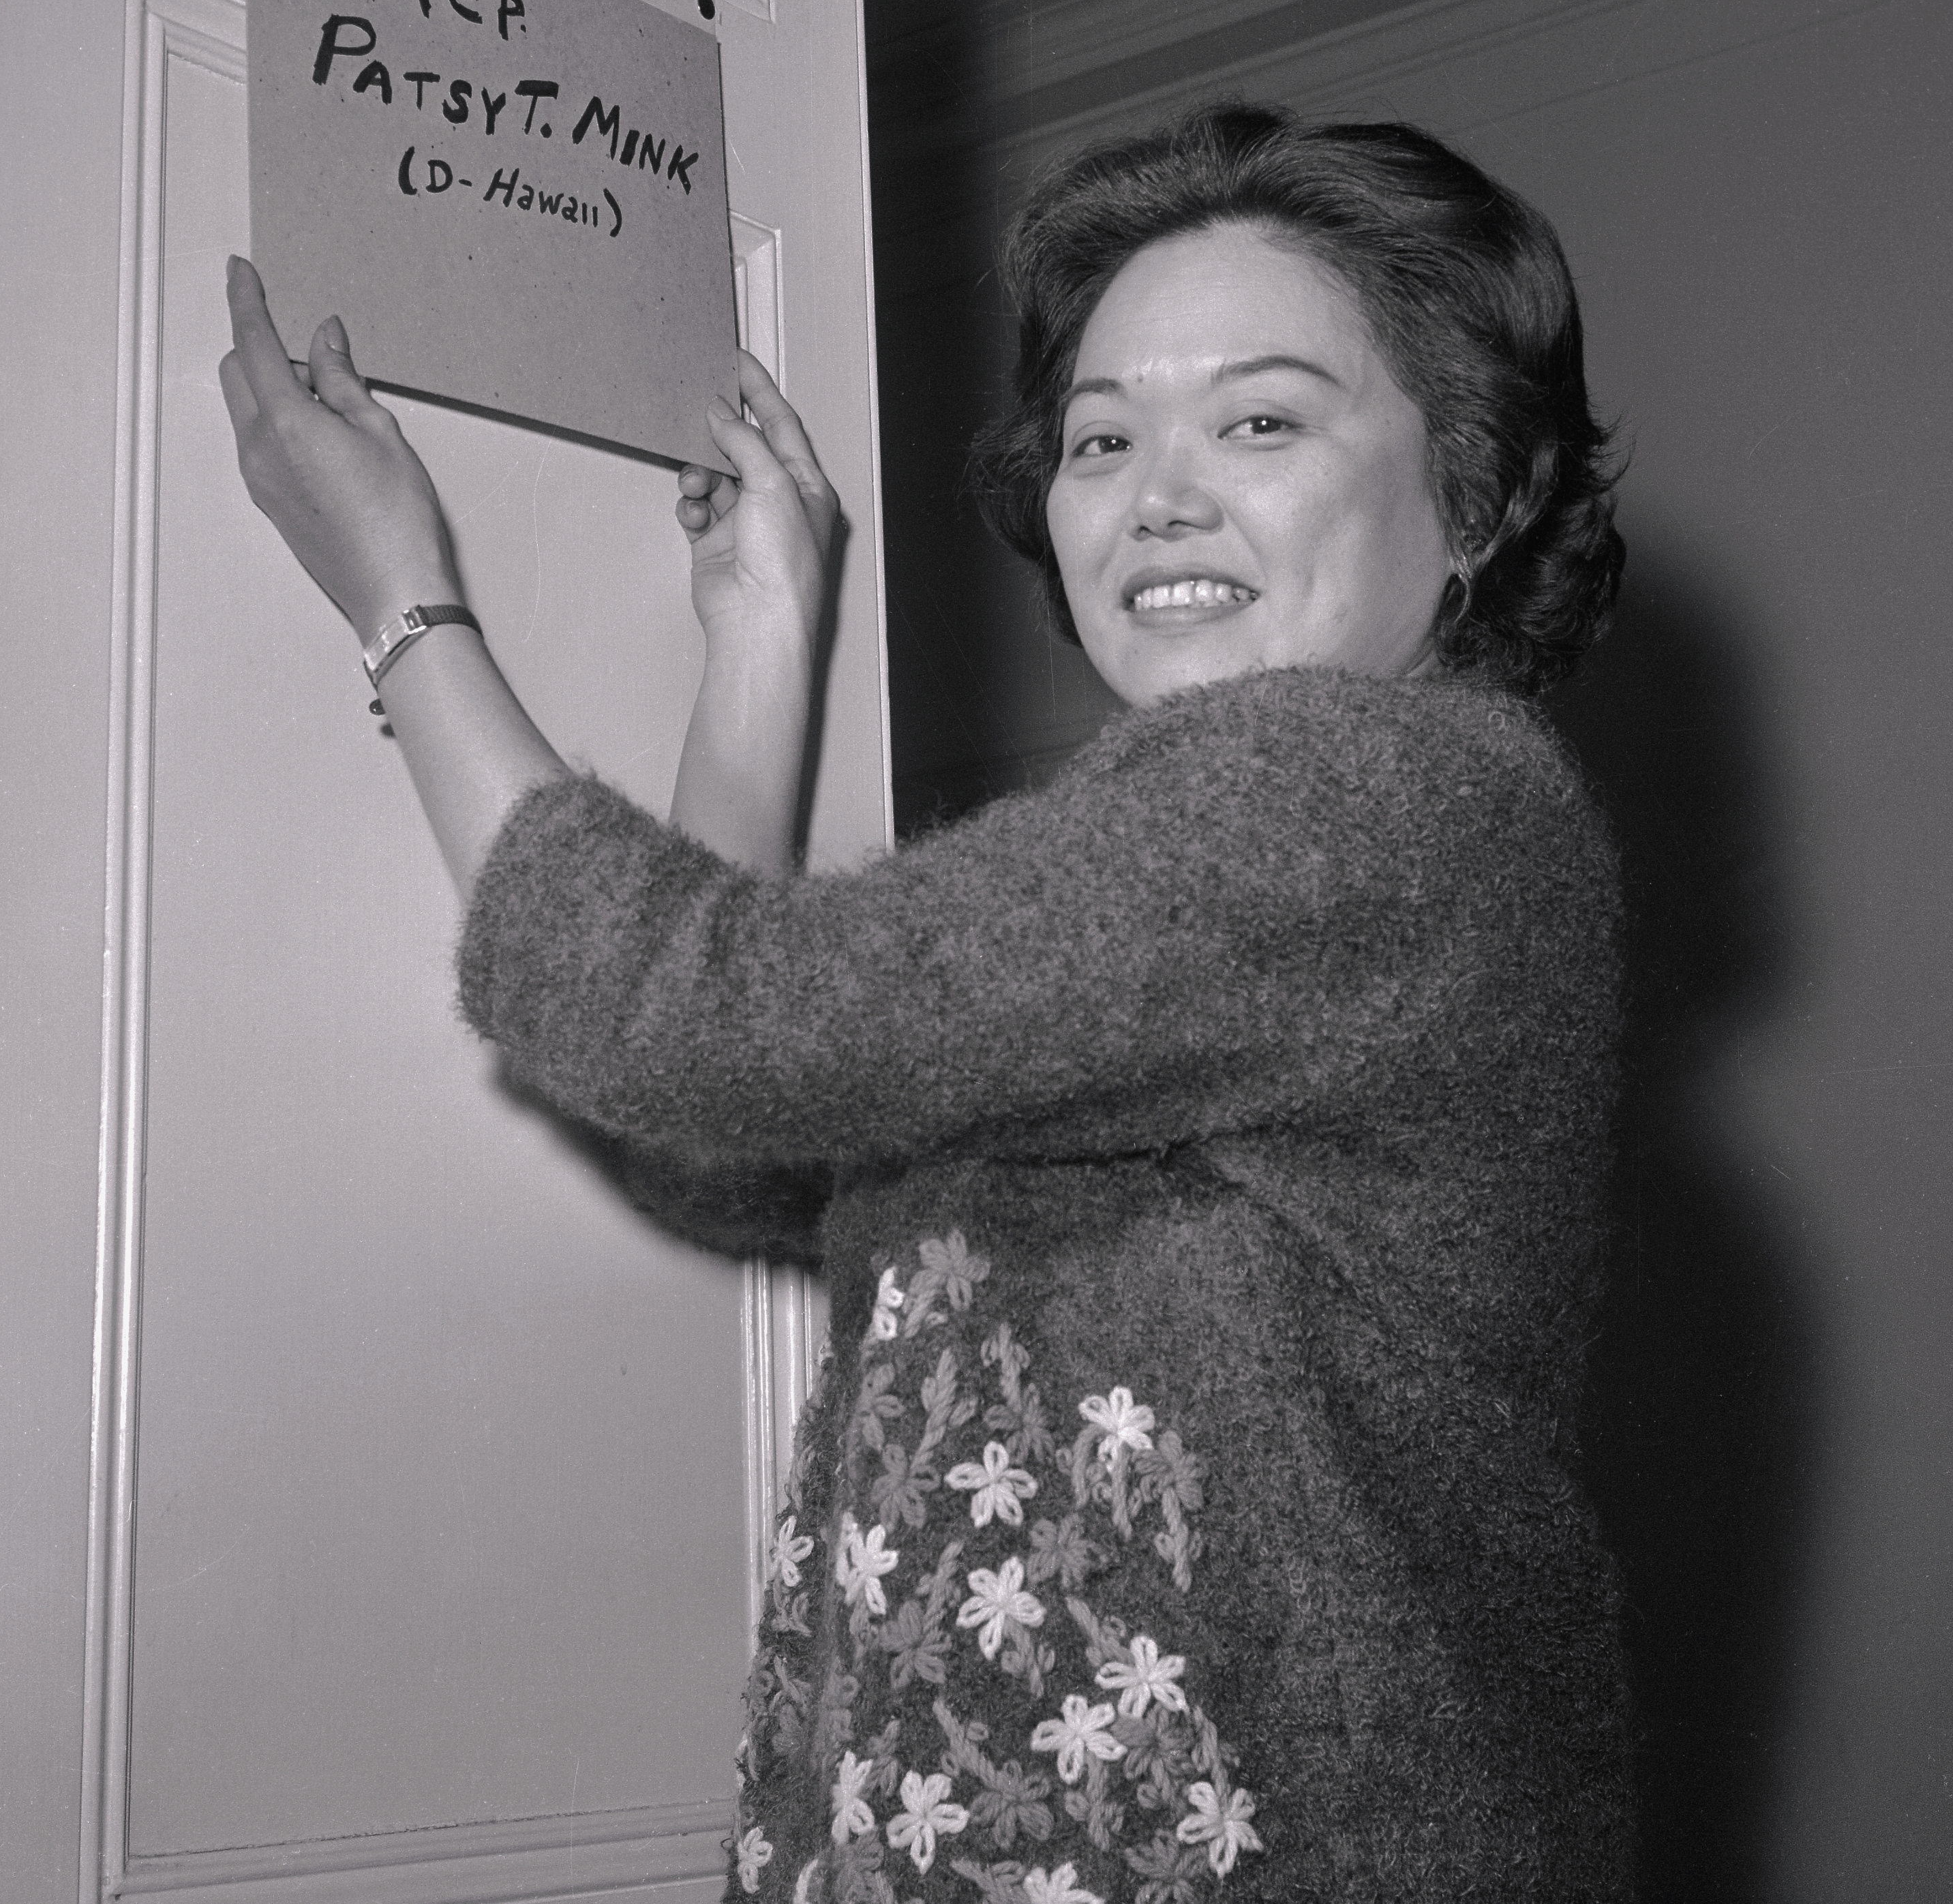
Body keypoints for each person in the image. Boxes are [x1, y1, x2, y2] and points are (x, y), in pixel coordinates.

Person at [220, 101, 1635, 1902]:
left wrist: (404, 606)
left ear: (1480, 489)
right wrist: (759, 641)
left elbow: (706, 1026)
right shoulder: (1218, 895)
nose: (1156, 491)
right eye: (1101, 435)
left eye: (1262, 418)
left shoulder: (1391, 798)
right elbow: (723, 1134)